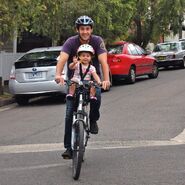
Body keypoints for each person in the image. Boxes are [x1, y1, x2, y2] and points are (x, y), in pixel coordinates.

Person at [55, 15, 110, 159]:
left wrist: (106, 80)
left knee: (96, 96)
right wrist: (58, 74)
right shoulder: (70, 42)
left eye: (87, 29)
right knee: (69, 114)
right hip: (74, 81)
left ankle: (93, 119)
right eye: (82, 29)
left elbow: (104, 62)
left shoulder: (97, 41)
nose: (85, 32)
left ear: (91, 30)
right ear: (77, 30)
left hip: (92, 79)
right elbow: (63, 59)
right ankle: (68, 147)